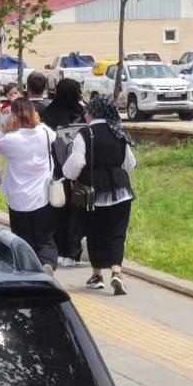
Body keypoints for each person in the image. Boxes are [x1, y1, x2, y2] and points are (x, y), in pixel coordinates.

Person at [63, 96, 136, 295]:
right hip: (121, 190)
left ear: (93, 112)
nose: (84, 114)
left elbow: (76, 164)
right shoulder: (119, 132)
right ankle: (116, 272)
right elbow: (130, 163)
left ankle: (97, 275)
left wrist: (66, 173)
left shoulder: (85, 134)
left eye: (87, 111)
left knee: (95, 232)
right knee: (117, 233)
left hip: (93, 191)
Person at [0, 97, 58, 275]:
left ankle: (27, 267)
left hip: (18, 197)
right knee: (45, 237)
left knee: (22, 236)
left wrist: (5, 127)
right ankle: (47, 263)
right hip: (42, 195)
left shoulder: (10, 139)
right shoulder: (44, 132)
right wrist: (37, 121)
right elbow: (53, 135)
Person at [42, 78, 87, 266]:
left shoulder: (48, 112)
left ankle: (60, 250)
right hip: (81, 170)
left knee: (59, 210)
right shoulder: (83, 112)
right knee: (79, 210)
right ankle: (75, 250)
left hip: (57, 170)